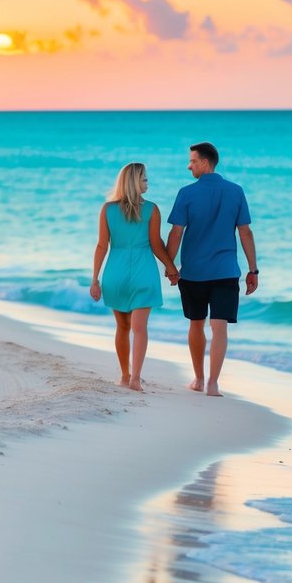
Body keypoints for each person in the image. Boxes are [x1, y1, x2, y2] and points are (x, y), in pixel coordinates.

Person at [166, 142, 258, 397]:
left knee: (196, 324)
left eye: (192, 161)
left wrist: (170, 265)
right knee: (220, 327)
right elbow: (245, 232)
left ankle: (198, 378)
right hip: (226, 271)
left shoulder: (186, 193)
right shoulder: (236, 191)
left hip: (194, 272)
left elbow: (176, 232)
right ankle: (213, 384)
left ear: (205, 163)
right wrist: (253, 270)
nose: (189, 165)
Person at [90, 162, 179, 392]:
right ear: (135, 182)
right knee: (140, 328)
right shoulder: (151, 209)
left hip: (115, 273)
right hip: (143, 272)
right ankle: (136, 379)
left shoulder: (107, 210)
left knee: (122, 327)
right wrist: (171, 268)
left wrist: (95, 279)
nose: (147, 183)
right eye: (144, 179)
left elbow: (101, 246)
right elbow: (156, 244)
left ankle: (124, 375)